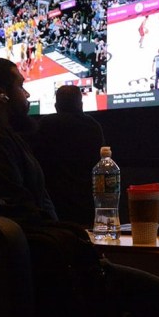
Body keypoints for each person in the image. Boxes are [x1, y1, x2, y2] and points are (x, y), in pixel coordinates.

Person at [0, 57, 159, 317]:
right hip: (41, 274)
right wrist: (77, 243)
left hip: (43, 266)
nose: (27, 94)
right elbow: (20, 220)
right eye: (20, 85)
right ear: (1, 94)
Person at [28, 84, 105, 225]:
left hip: (55, 201)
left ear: (56, 106)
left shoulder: (46, 124)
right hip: (86, 200)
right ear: (80, 104)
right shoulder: (93, 126)